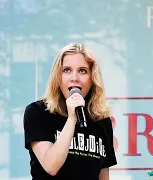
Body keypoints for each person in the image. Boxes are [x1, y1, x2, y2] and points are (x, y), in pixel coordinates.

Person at [23, 43, 117, 180]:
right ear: (58, 77)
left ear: (92, 79)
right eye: (67, 70)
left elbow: (103, 176)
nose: (74, 78)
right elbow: (51, 166)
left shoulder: (102, 121)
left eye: (82, 71)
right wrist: (72, 118)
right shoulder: (38, 112)